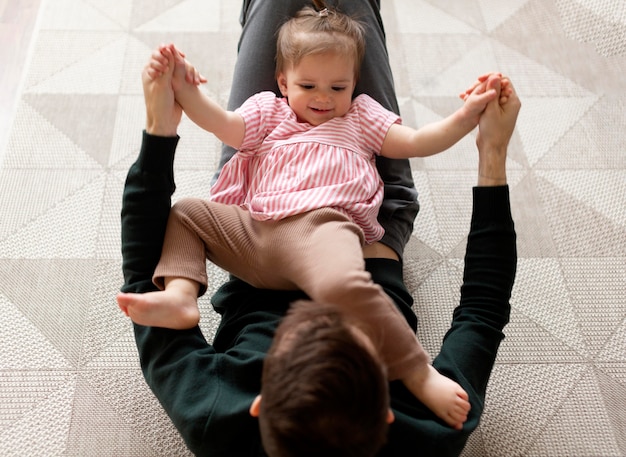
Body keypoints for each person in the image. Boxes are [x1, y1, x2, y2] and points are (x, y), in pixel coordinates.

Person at [118, 0, 520, 455]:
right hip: (368, 225)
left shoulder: (214, 417)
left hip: (262, 200)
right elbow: (482, 311)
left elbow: (140, 277)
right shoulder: (429, 430)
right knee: (350, 17)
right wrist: (492, 151)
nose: (312, 317)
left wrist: (160, 129)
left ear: (259, 406)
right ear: (385, 415)